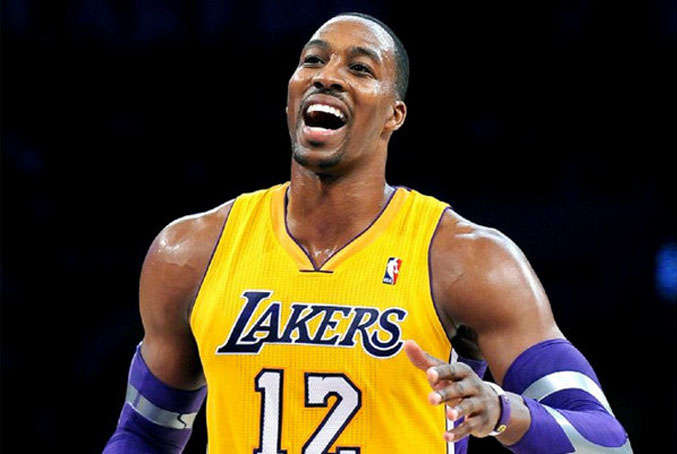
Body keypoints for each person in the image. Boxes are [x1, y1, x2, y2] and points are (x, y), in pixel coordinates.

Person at [104, 12, 632, 454]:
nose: (327, 76)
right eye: (313, 60)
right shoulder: (191, 251)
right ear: (290, 98)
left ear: (393, 116)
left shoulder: (465, 259)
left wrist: (501, 410)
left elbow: (604, 440)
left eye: (359, 68)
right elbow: (144, 435)